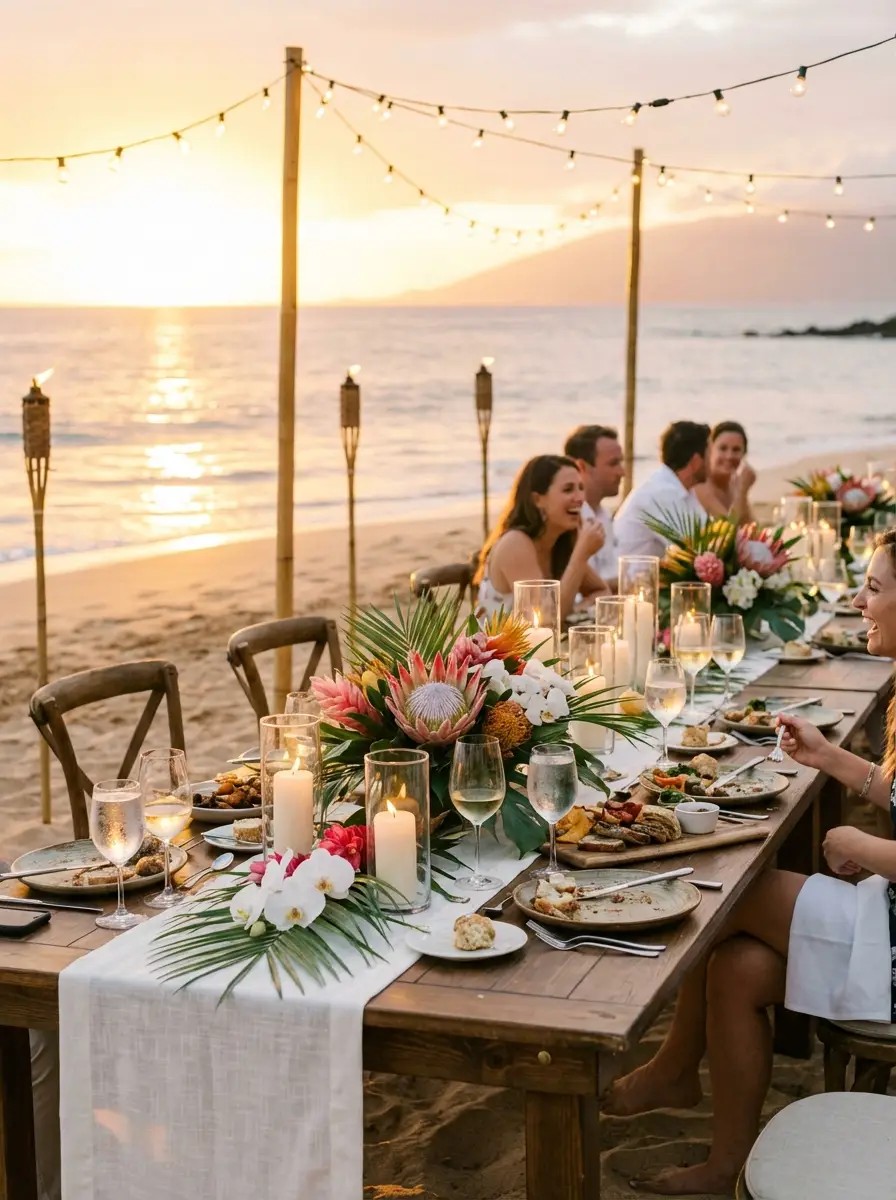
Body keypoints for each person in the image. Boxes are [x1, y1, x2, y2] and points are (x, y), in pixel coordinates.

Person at [603, 528, 896, 1196]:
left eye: (874, 588)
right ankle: (721, 1167)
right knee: (737, 968)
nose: (859, 600)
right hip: (884, 918)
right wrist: (831, 759)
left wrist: (860, 846)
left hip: (893, 942)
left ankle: (675, 1066)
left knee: (733, 894)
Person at [475, 454, 609, 619]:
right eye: (568, 489)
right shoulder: (515, 543)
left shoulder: (560, 543)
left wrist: (576, 612)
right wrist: (581, 555)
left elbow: (601, 592)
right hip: (496, 644)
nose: (580, 498)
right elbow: (545, 620)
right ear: (537, 499)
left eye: (581, 488)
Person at [614, 421, 710, 559]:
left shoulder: (683, 490)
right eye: (708, 455)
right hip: (625, 578)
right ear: (695, 461)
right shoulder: (660, 492)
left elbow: (709, 536)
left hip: (648, 577)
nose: (711, 463)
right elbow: (696, 551)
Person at [563, 424, 625, 587]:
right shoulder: (569, 520)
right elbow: (580, 588)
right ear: (581, 467)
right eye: (613, 464)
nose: (622, 472)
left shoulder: (603, 515)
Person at [693, 420, 756, 523]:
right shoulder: (700, 485)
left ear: (744, 454)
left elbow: (751, 528)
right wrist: (742, 492)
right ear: (710, 450)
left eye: (736, 450)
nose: (729, 456)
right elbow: (728, 529)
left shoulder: (734, 485)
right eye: (723, 448)